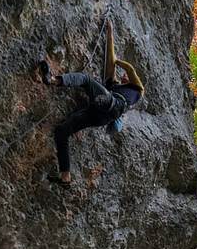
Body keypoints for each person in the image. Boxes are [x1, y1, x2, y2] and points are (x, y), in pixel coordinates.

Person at [39, 21, 144, 185]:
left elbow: (130, 69)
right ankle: (65, 176)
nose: (124, 76)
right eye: (122, 75)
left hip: (113, 105)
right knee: (62, 131)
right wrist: (110, 33)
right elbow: (110, 58)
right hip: (100, 116)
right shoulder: (113, 85)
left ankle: (52, 80)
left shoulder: (137, 89)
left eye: (125, 77)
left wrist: (119, 63)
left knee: (86, 79)